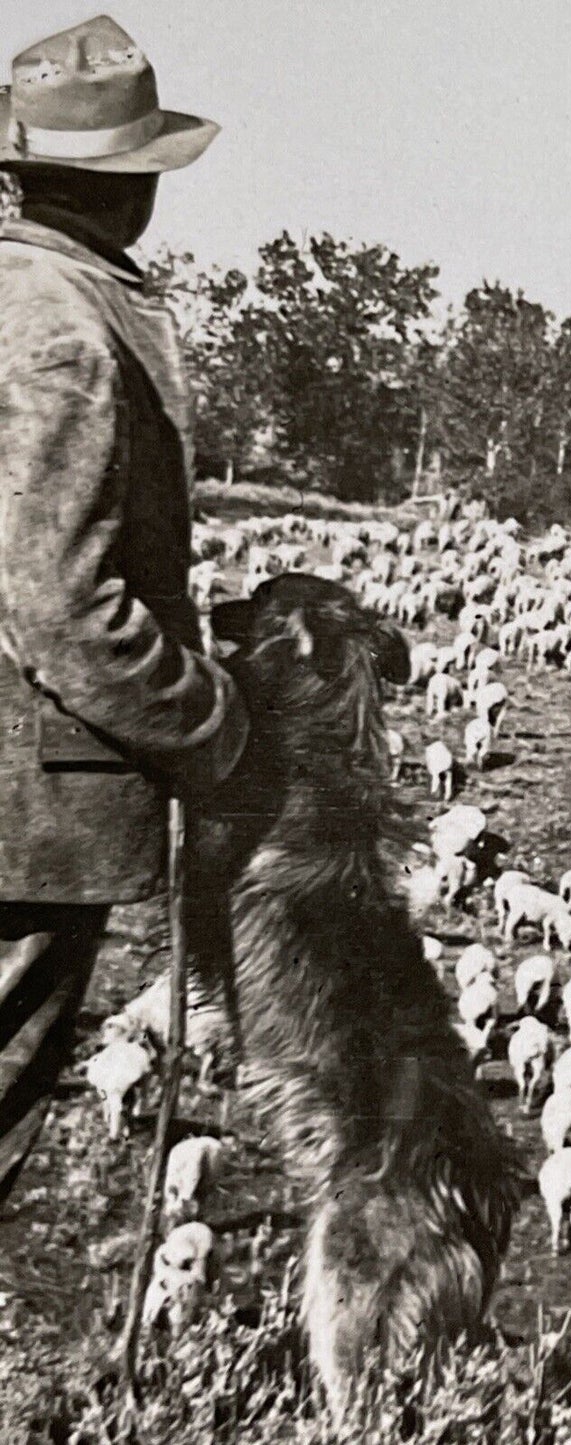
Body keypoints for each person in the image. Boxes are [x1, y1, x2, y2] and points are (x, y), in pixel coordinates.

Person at [0, 16, 247, 1205]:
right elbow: (58, 597)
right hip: (27, 806)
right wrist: (209, 727)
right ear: (132, 185)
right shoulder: (63, 320)